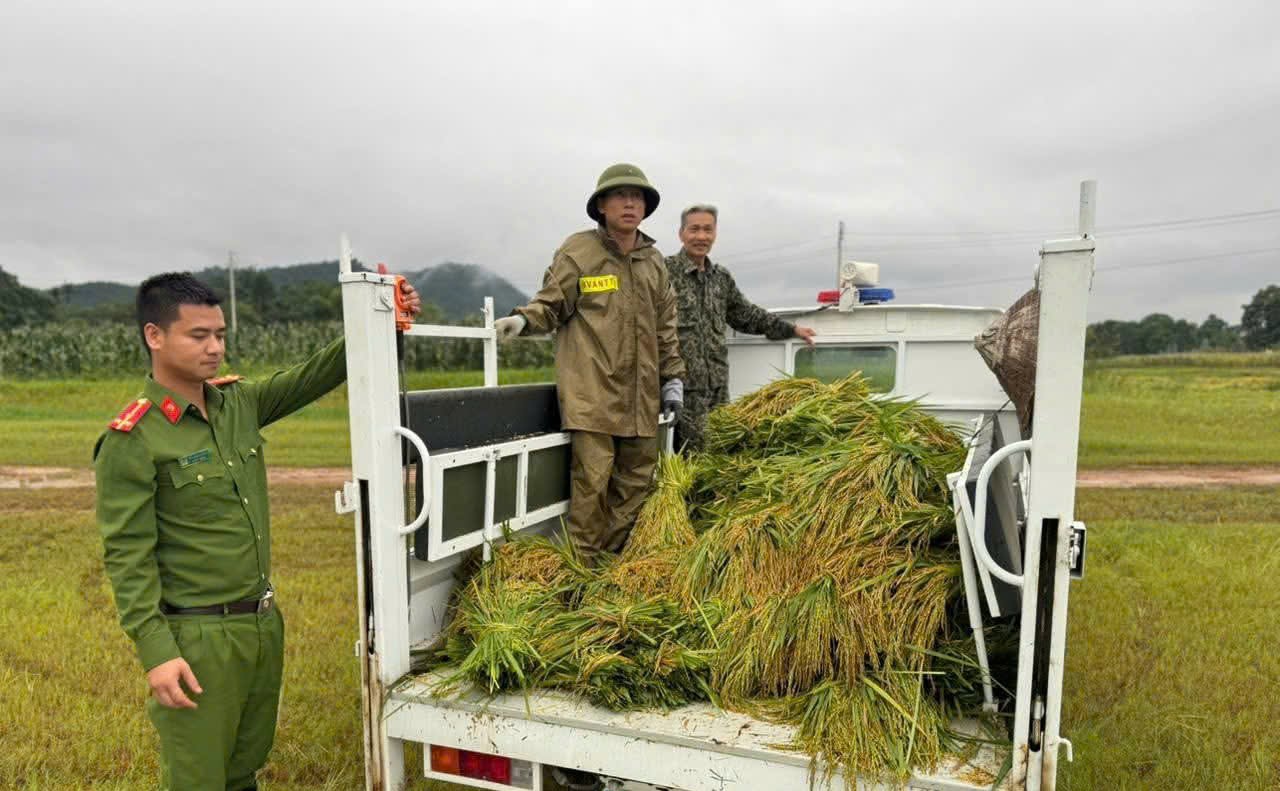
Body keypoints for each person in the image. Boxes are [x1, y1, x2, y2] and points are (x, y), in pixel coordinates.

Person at [94, 271, 420, 790]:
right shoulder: (134, 438)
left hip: (262, 626)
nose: (214, 348)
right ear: (155, 336)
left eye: (220, 335)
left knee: (244, 771)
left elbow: (314, 374)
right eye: (198, 336)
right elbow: (127, 556)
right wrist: (157, 651)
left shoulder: (238, 405)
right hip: (198, 638)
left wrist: (382, 319)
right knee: (199, 779)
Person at [495, 163, 685, 564]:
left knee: (634, 486)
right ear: (601, 205)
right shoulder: (578, 252)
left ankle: (608, 567)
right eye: (619, 195)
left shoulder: (654, 262)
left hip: (642, 398)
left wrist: (673, 379)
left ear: (646, 207)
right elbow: (551, 303)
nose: (630, 203)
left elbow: (666, 325)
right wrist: (522, 320)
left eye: (638, 197)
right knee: (591, 488)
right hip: (593, 395)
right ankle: (579, 576)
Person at [665, 204, 817, 451]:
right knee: (686, 459)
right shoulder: (663, 272)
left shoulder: (720, 278)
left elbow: (746, 315)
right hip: (679, 390)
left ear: (715, 234)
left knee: (718, 453)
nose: (701, 236)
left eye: (708, 230)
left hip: (717, 389)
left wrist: (790, 329)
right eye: (694, 229)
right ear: (681, 233)